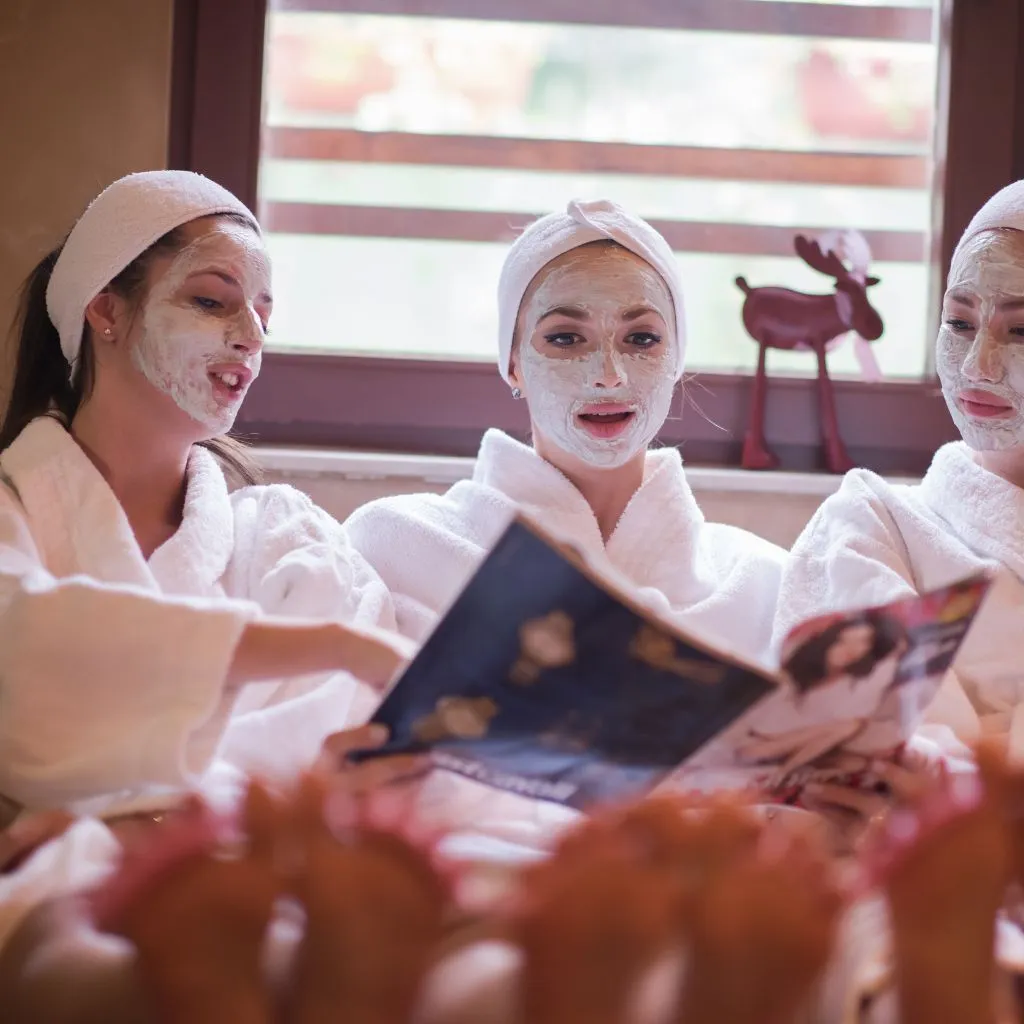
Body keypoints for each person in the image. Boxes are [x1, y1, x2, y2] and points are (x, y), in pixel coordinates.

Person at [0, 170, 421, 955]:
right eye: (212, 299)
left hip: (260, 884)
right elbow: (24, 657)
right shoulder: (13, 514)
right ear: (106, 311)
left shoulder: (287, 538)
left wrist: (128, 822)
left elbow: (335, 738)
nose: (252, 338)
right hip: (55, 900)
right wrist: (326, 645)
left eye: (264, 315)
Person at [343, 198, 784, 661]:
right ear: (512, 364)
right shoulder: (400, 545)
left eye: (642, 339)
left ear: (676, 360)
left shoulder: (762, 583)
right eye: (566, 339)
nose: (609, 374)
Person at [774, 179, 1024, 764]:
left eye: (1022, 330)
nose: (977, 365)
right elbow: (866, 754)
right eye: (958, 322)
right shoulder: (868, 527)